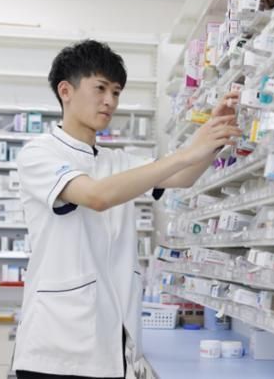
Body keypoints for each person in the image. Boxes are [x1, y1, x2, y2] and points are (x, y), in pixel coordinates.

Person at [12, 39, 241, 379]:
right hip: (56, 347)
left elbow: (183, 176)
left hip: (113, 343)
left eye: (116, 92)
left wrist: (215, 134)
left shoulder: (117, 161)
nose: (110, 101)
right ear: (66, 91)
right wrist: (185, 153)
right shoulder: (39, 154)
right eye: (101, 88)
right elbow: (97, 196)